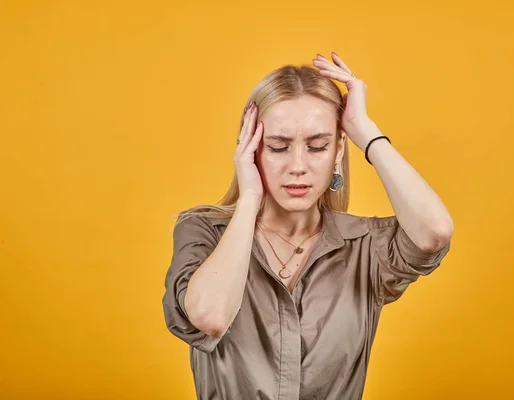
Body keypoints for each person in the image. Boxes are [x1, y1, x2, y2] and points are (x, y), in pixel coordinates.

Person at [162, 52, 454, 400]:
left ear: (337, 151)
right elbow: (210, 317)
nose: (297, 166)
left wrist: (365, 131)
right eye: (278, 147)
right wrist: (250, 196)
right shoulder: (204, 231)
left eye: (317, 146)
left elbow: (434, 231)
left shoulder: (364, 245)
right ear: (251, 149)